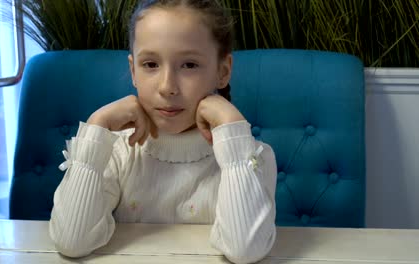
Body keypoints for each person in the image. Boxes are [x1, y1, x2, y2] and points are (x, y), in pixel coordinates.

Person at [49, 0, 277, 263]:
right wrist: (97, 124)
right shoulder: (117, 152)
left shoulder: (251, 158)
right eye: (150, 65)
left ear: (222, 71)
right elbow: (71, 241)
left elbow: (245, 250)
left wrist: (231, 125)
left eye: (189, 65)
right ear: (133, 71)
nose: (168, 87)